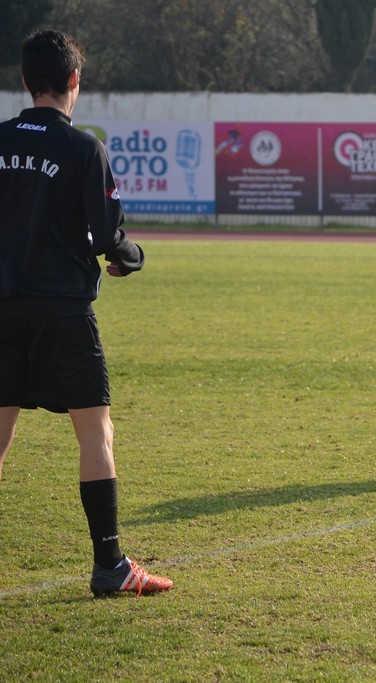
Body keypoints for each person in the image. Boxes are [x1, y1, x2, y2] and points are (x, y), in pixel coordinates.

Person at [0, 29, 173, 597]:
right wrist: (131, 257)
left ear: (25, 81)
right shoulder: (83, 148)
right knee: (96, 433)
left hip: (2, 310)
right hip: (64, 314)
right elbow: (105, 235)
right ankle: (110, 567)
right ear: (74, 80)